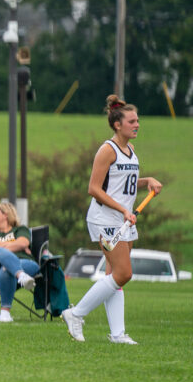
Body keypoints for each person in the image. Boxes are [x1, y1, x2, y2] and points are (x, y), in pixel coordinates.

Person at [61, 95, 162, 345]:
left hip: (123, 221)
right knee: (123, 273)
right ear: (118, 124)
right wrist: (122, 210)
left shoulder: (131, 150)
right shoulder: (107, 150)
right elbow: (94, 189)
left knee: (113, 275)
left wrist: (146, 181)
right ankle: (75, 314)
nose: (137, 124)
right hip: (104, 218)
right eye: (132, 121)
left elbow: (123, 185)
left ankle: (117, 334)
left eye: (137, 120)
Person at [0, 201, 40, 323]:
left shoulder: (21, 229)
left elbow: (23, 243)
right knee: (0, 252)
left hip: (25, 263)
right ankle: (21, 276)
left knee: (6, 269)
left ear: (5, 215)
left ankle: (5, 313)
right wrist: (11, 246)